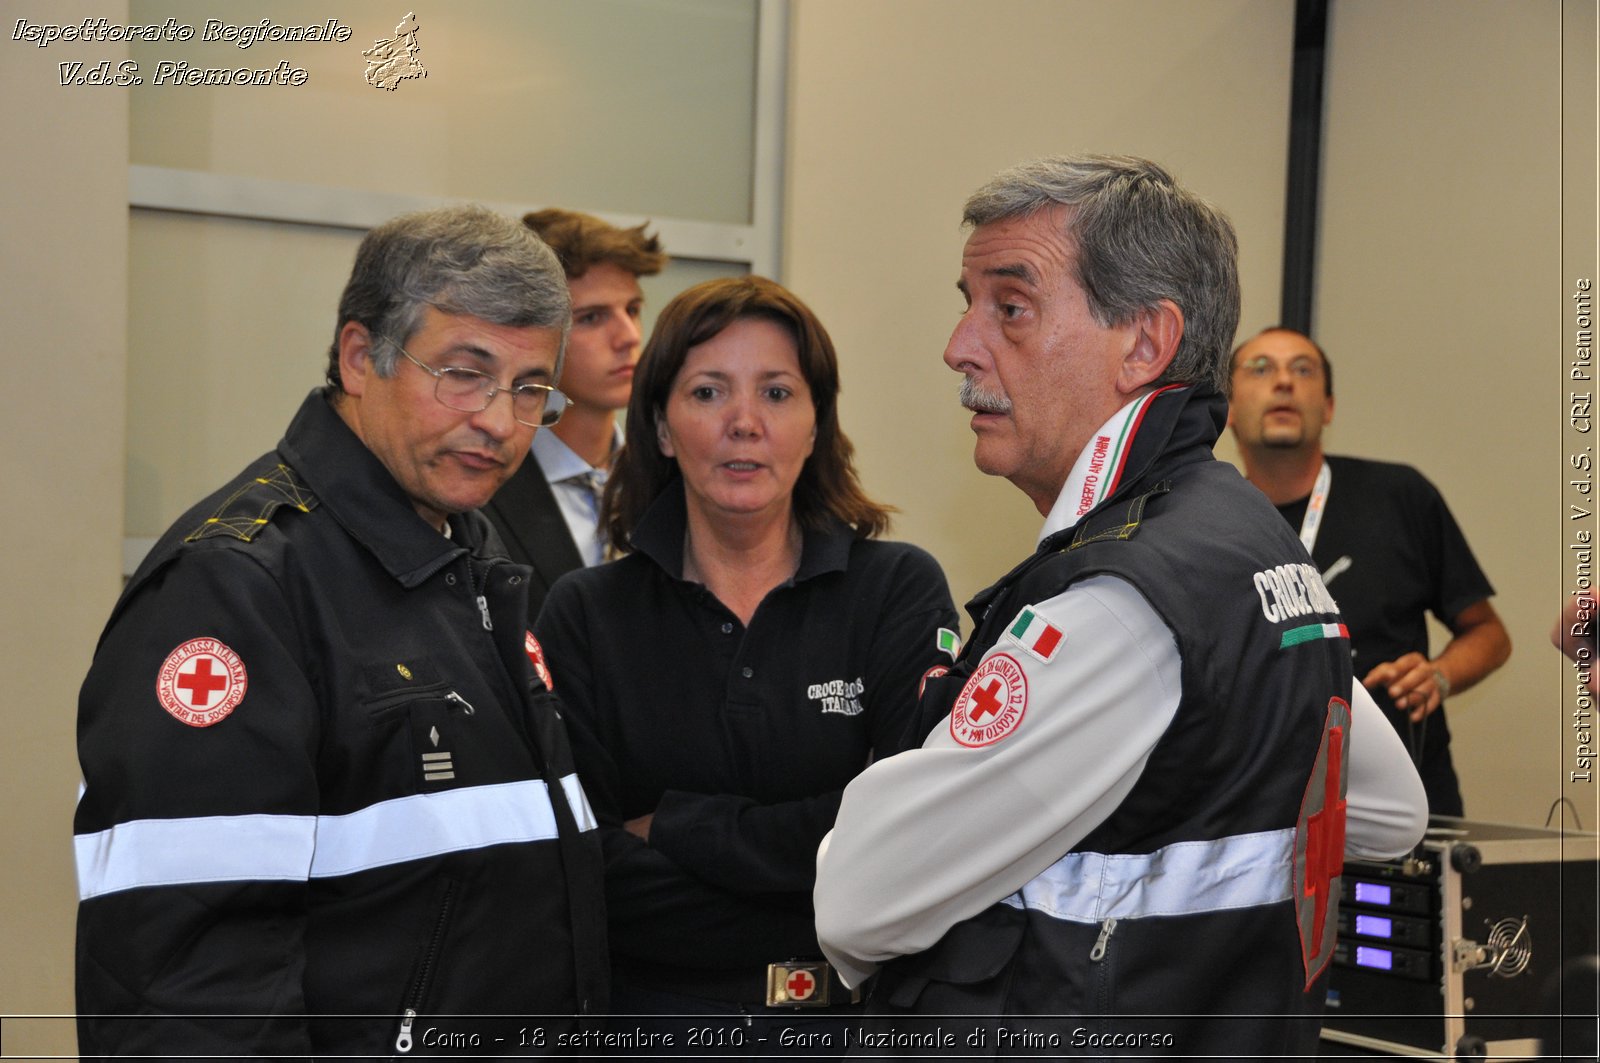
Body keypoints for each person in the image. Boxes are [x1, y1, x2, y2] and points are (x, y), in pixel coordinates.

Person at [812, 155, 1428, 1057]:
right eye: (967, 300)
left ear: (1144, 343)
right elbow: (1384, 807)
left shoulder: (1118, 599)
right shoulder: (1246, 536)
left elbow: (856, 901)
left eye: (1009, 307)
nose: (960, 344)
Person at [74, 206, 607, 1058]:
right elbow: (187, 984)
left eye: (529, 387)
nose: (501, 423)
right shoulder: (235, 587)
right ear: (361, 357)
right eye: (465, 374)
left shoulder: (468, 544)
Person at [533, 275, 960, 1051]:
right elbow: (579, 867)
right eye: (707, 392)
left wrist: (678, 826)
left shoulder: (895, 589)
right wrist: (815, 884)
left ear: (815, 422)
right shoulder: (586, 613)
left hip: (855, 1026)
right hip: (647, 1023)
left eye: (775, 392)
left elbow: (915, 831)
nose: (743, 423)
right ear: (661, 427)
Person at [1227, 326, 1512, 816]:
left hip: (1398, 804)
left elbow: (1490, 635)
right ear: (1227, 408)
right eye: (1260, 368)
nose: (1283, 383)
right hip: (1260, 809)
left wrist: (1439, 676)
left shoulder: (1399, 497)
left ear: (1330, 407)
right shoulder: (1207, 520)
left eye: (1303, 369)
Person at [483, 208, 667, 622]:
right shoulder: (479, 483)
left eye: (633, 310)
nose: (630, 336)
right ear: (529, 331)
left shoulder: (673, 476)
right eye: (593, 318)